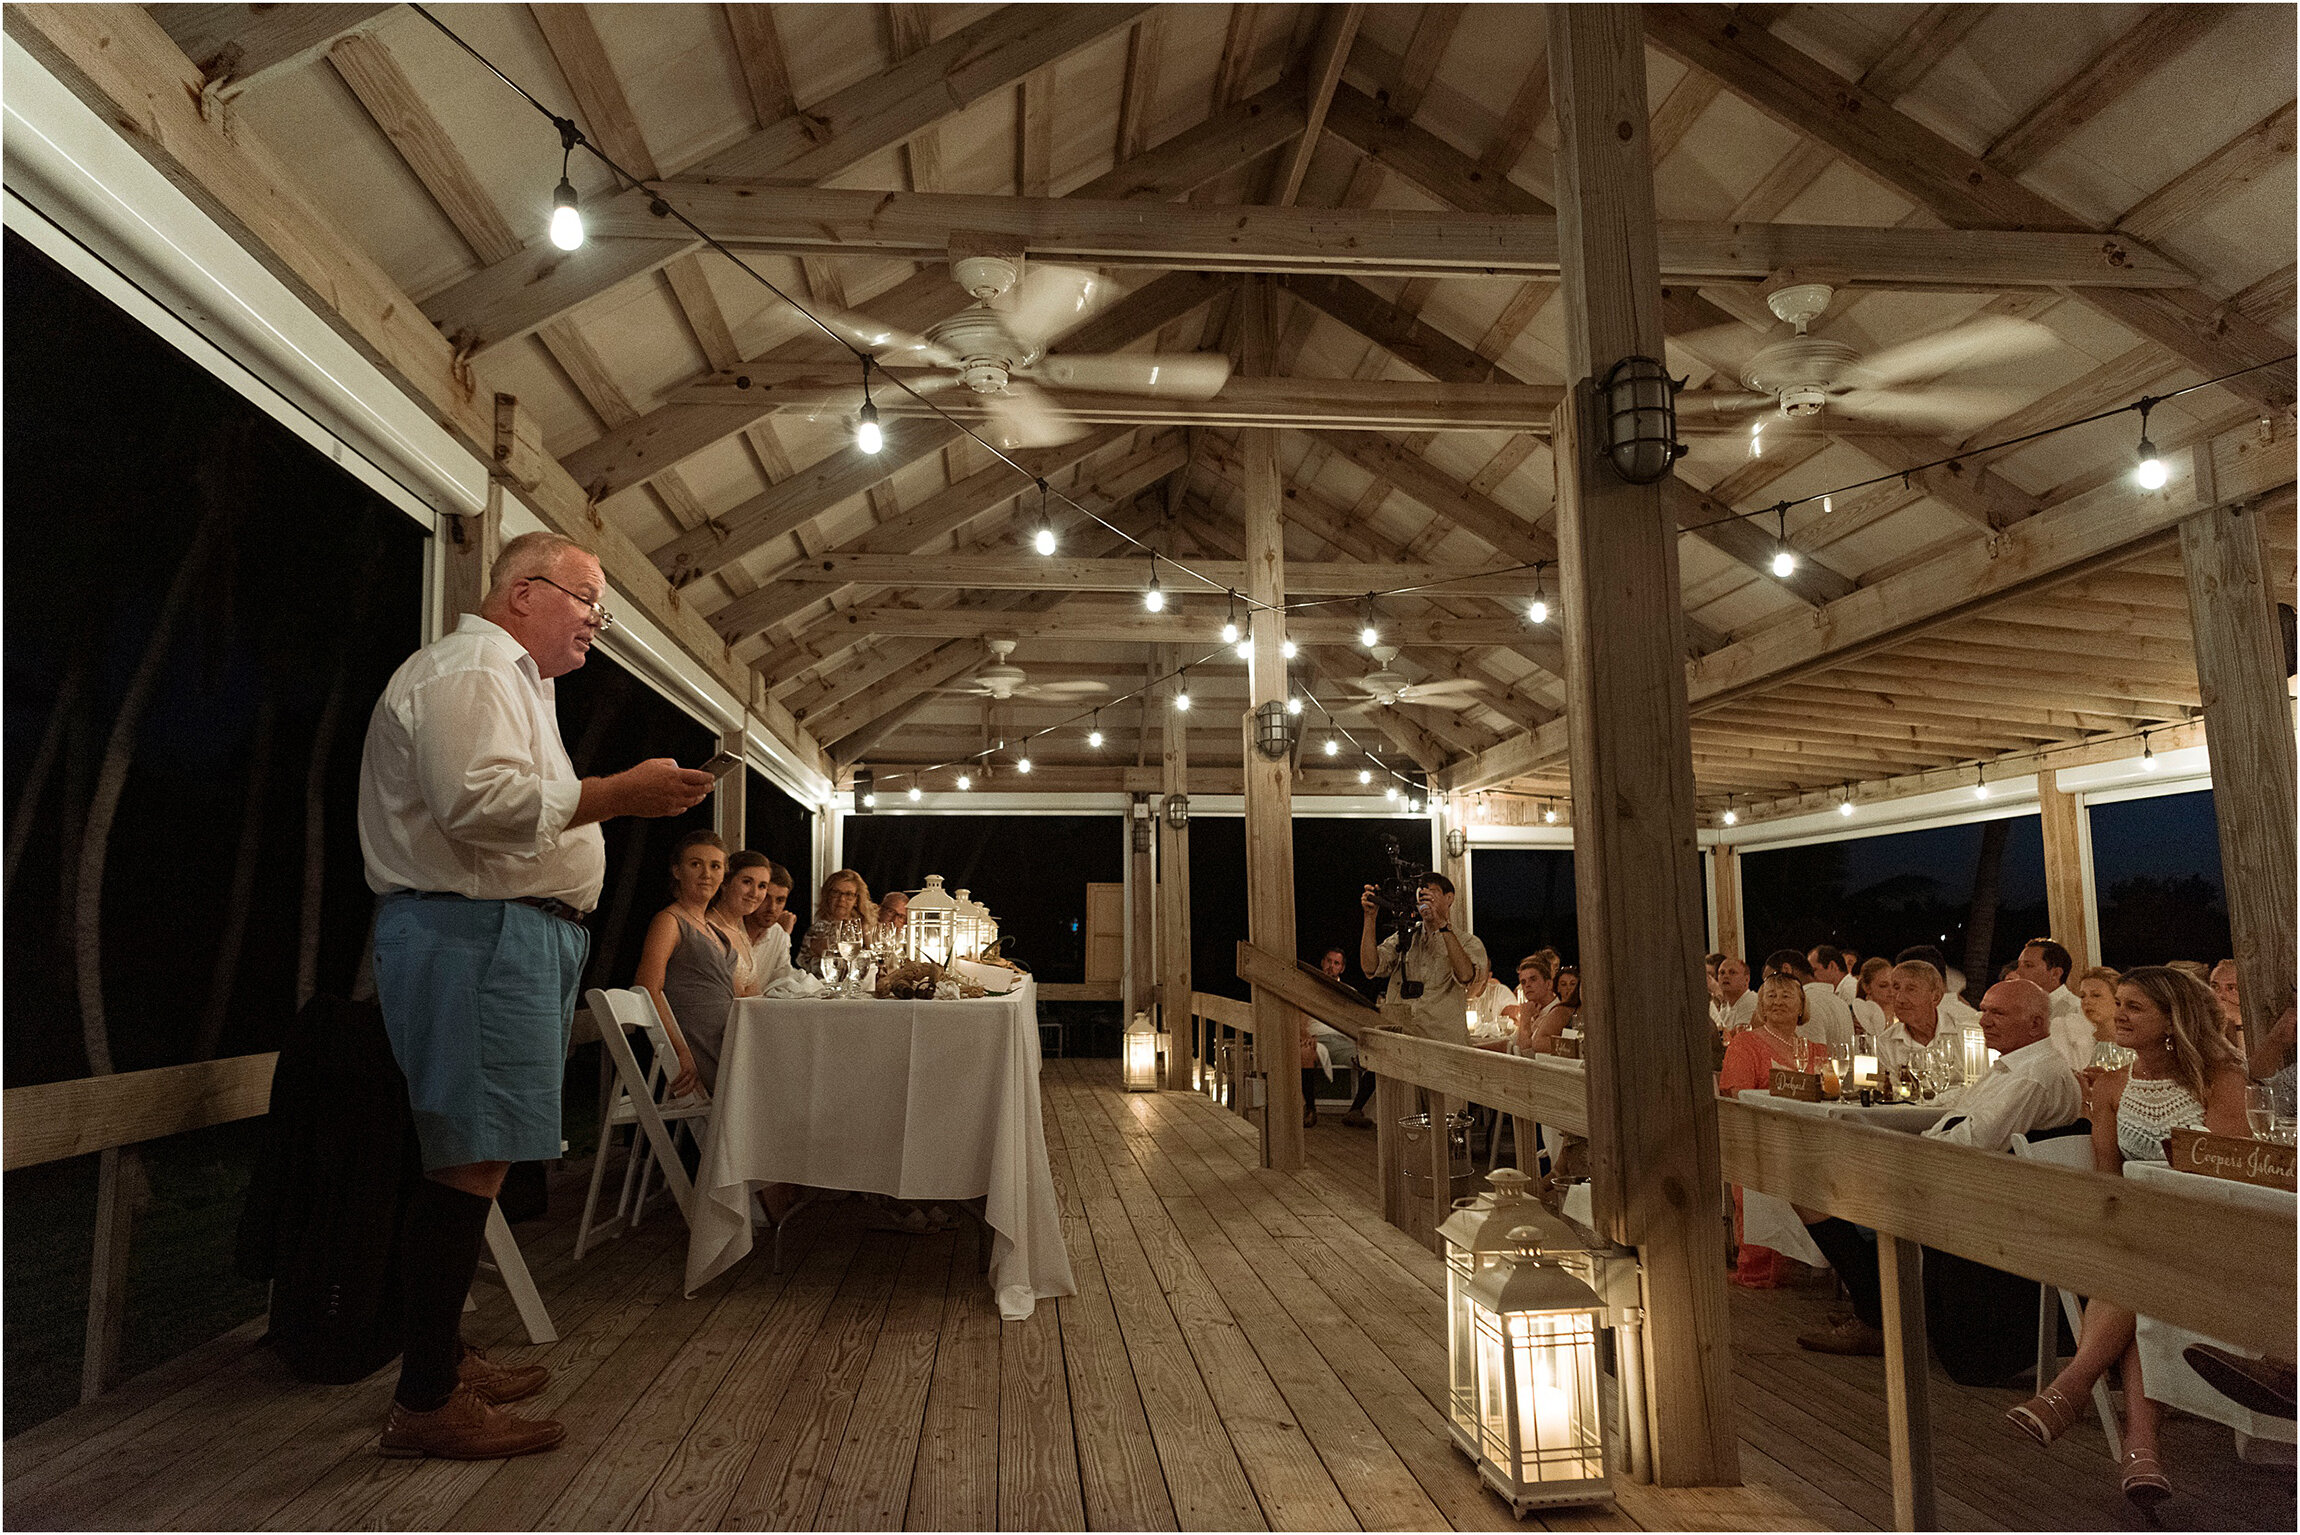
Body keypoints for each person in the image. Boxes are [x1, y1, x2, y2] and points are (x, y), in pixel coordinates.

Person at [357, 531, 713, 1459]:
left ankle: (442, 1350)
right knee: (470, 1153)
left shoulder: (521, 683)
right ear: (524, 591)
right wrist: (617, 793)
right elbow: (478, 804)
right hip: (476, 936)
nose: (598, 620)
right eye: (589, 599)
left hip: (505, 935)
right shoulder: (472, 668)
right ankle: (427, 1398)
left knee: (475, 1149)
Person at [2005, 966, 2246, 1506]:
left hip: (2212, 1232)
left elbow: (2232, 1169)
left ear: (2171, 1019)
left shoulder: (2219, 1079)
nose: (2120, 1015)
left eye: (2135, 1006)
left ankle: (2073, 1390)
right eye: (2121, 1004)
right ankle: (2141, 1447)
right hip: (2141, 1235)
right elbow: (2107, 1180)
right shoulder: (2113, 1086)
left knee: (2135, 1272)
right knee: (2136, 1271)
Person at [1798, 980, 2084, 1383]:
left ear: (2036, 1023)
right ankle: (1883, 1310)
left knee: (1817, 1192)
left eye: (1997, 1013)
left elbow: (1972, 1143)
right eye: (1983, 1010)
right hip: (1966, 1182)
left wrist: (1898, 1151)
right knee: (1817, 1185)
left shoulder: (2031, 1075)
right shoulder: (2012, 1064)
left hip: (1979, 1198)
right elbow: (1959, 1121)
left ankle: (1882, 1317)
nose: (1983, 1021)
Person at [1717, 975, 1822, 1288]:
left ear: (1802, 1005)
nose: (1778, 1002)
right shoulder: (1745, 1043)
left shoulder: (1816, 1049)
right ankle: (1761, 1266)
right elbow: (1736, 1093)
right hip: (1759, 1141)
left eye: (1787, 996)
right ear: (1760, 1005)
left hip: (1811, 1142)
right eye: (1770, 996)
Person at [634, 831, 751, 1095]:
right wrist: (679, 1051)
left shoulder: (713, 928)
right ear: (677, 870)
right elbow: (646, 988)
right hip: (698, 1048)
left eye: (715, 866)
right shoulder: (669, 921)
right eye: (695, 864)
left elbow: (739, 994)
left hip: (729, 1042)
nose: (706, 874)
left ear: (724, 876)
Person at [1360, 873, 1488, 1046]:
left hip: (1444, 1047)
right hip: (1402, 1044)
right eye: (1421, 894)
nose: (1425, 899)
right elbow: (1370, 966)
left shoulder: (1468, 942)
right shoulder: (1405, 937)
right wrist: (1370, 918)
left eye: (1432, 893)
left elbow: (1466, 976)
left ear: (1449, 898)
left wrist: (1442, 925)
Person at [719, 854, 795, 993]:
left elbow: (784, 982)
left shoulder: (778, 933)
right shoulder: (724, 926)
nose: (772, 908)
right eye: (767, 898)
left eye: (780, 900)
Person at [2016, 938, 2093, 1074]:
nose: (2019, 973)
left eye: (2028, 965)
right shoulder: (2024, 1008)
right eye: (2019, 965)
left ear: (2055, 973)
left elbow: (2080, 1065)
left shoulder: (2074, 1010)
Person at [1766, 948, 1856, 1052]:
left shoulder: (1805, 1004)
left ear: (1786, 969)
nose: (1768, 988)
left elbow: (1810, 1058)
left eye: (1770, 980)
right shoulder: (1837, 1001)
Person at [799, 867, 875, 971]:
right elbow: (838, 962)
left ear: (856, 900)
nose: (841, 899)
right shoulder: (818, 929)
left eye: (848, 894)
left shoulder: (864, 927)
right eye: (836, 892)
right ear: (828, 896)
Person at [1506, 953, 1571, 1054]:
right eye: (1523, 982)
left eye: (1533, 979)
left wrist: (1525, 1020)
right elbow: (1510, 1042)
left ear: (1548, 984)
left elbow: (1524, 1054)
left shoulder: (1557, 1013)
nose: (1527, 985)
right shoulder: (1532, 1009)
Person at [2075, 964, 2121, 1044]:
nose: (2086, 1001)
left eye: (2096, 995)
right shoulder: (2079, 1044)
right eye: (2083, 996)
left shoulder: (2137, 1041)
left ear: (2117, 999)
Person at [1715, 954, 1756, 1030]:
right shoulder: (1726, 1007)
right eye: (1722, 973)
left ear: (1746, 979)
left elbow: (1739, 1037)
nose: (1725, 976)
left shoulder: (1752, 1001)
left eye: (1732, 972)